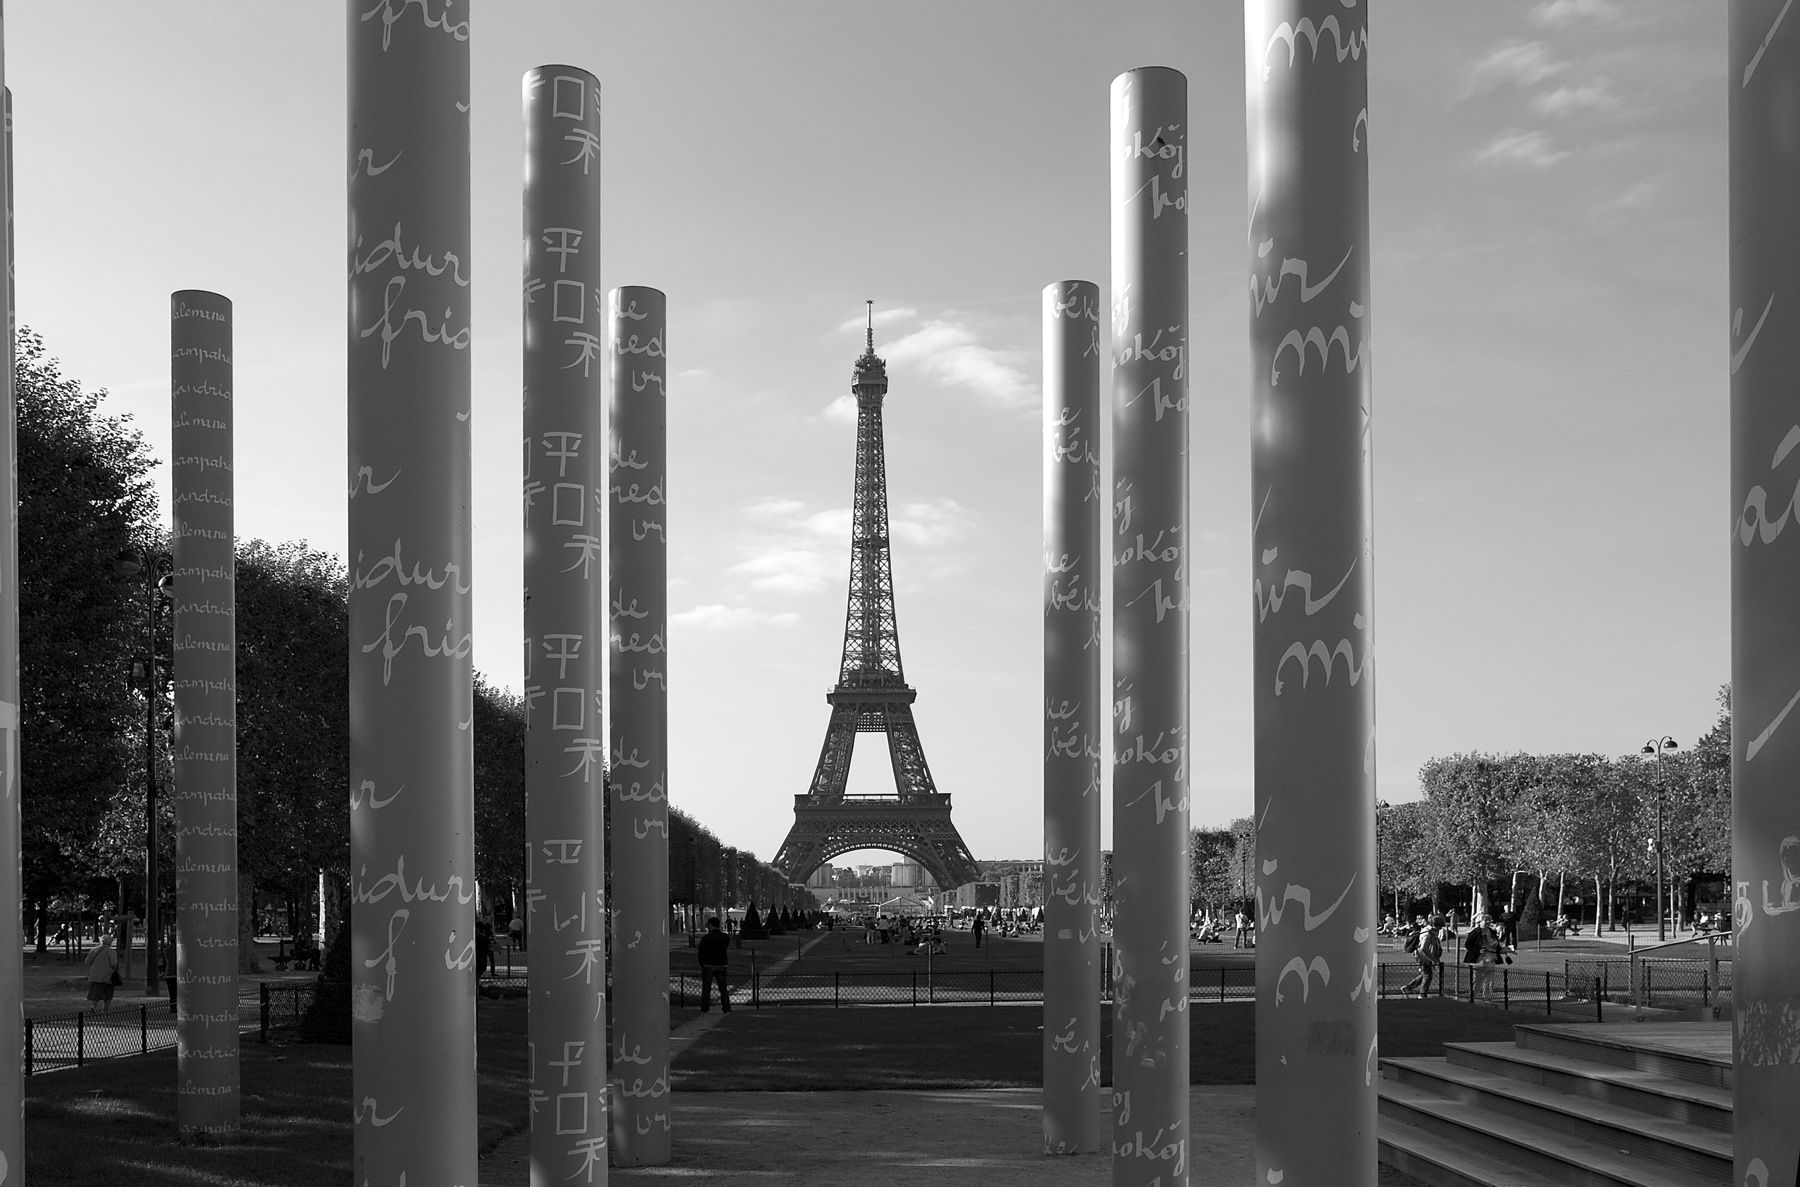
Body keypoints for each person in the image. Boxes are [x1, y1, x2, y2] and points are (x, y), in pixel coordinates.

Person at [697, 916, 731, 1013]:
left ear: (710, 925)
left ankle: (705, 1008)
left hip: (708, 965)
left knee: (706, 989)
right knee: (723, 989)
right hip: (721, 964)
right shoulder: (725, 937)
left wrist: (702, 963)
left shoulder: (706, 938)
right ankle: (726, 1007)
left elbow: (701, 952)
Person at [85, 934, 119, 1013]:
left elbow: (87, 962)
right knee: (108, 993)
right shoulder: (111, 951)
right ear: (110, 942)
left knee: (95, 993)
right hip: (107, 976)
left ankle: (93, 1006)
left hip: (94, 975)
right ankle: (106, 1009)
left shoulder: (93, 950)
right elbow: (113, 964)